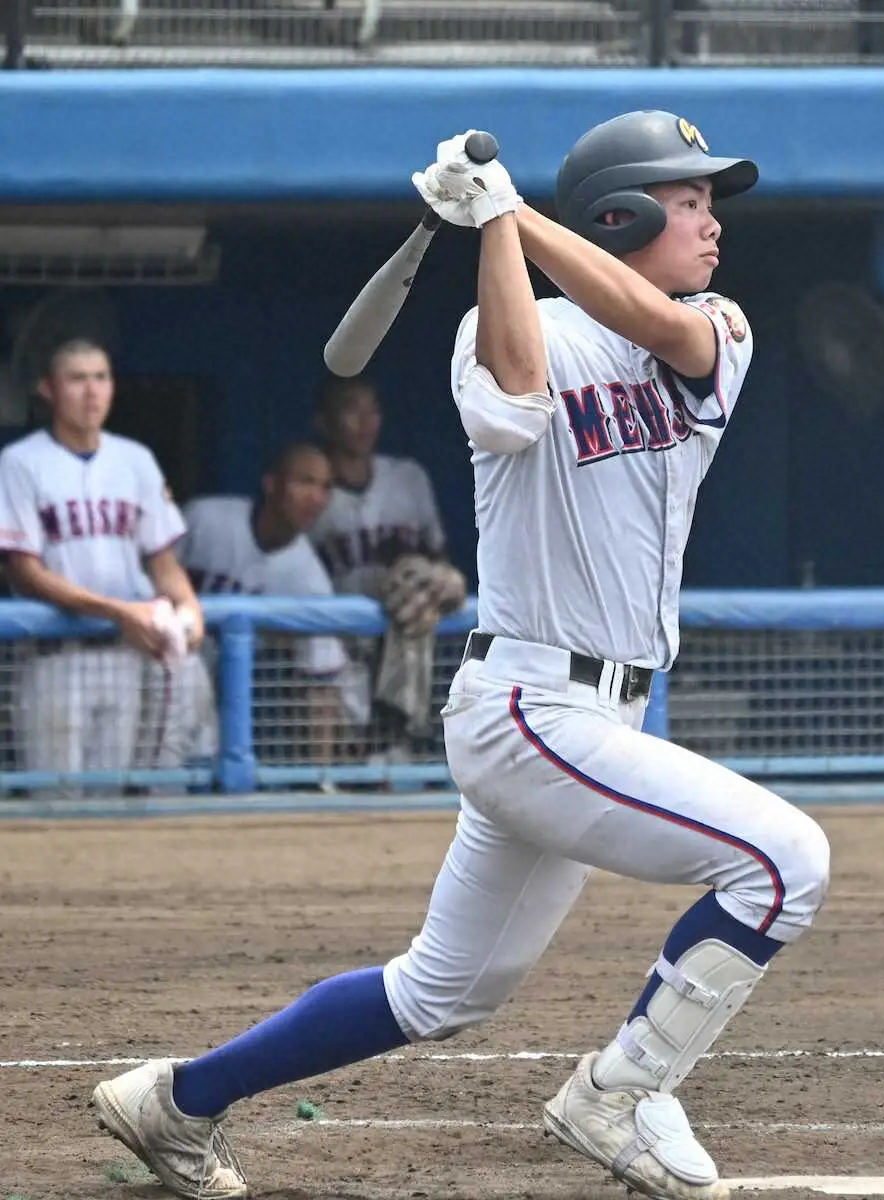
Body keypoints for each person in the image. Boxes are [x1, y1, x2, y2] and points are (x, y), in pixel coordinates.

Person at [90, 111, 831, 1200]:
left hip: (598, 716)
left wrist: (508, 210)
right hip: (532, 706)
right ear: (620, 212)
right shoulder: (504, 326)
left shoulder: (716, 326)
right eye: (688, 201)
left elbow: (656, 331)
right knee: (783, 862)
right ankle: (621, 1089)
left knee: (441, 992)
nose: (712, 223)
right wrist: (497, 224)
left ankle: (174, 1102)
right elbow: (517, 408)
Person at [0, 339, 203, 789]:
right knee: (53, 799)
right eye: (77, 379)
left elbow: (162, 560)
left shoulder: (136, 460)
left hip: (122, 656)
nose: (92, 391)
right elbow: (25, 572)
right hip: (53, 655)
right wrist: (118, 610)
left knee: (111, 800)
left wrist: (190, 606)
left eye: (101, 378)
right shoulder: (19, 463)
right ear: (47, 389)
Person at [310, 375, 465, 761]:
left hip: (410, 639)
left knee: (419, 574)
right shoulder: (311, 488)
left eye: (373, 410)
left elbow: (438, 556)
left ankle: (402, 717)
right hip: (346, 647)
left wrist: (439, 579)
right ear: (324, 421)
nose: (365, 422)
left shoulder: (408, 478)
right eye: (351, 410)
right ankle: (401, 719)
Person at [178, 443, 350, 769]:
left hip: (223, 703)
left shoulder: (310, 581)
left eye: (326, 487)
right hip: (164, 672)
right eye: (305, 482)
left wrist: (320, 775)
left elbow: (322, 681)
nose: (317, 497)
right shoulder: (205, 517)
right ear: (272, 484)